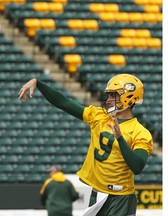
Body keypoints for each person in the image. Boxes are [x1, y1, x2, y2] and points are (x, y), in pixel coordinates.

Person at [18, 74, 153, 216]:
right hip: (97, 194)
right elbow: (63, 103)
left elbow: (137, 167)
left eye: (113, 95)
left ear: (129, 97)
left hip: (121, 197)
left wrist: (120, 139)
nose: (108, 100)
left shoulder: (140, 132)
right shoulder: (98, 116)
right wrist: (38, 83)